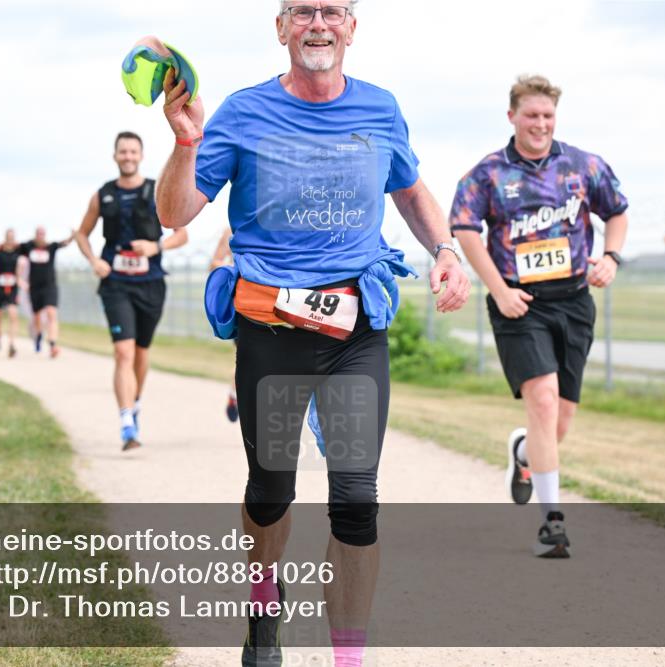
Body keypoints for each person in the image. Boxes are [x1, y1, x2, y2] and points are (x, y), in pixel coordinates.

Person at [155, 2, 471, 665]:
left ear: (352, 27)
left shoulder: (381, 109)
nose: (318, 23)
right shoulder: (242, 113)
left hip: (354, 332)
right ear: (281, 27)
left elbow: (410, 191)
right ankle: (264, 608)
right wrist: (186, 143)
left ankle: (347, 658)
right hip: (270, 330)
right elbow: (176, 210)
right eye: (303, 11)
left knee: (357, 500)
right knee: (271, 492)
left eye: (332, 11)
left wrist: (444, 247)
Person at [451, 74, 629, 558]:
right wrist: (498, 289)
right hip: (519, 305)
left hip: (573, 301)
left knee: (560, 420)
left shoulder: (582, 165)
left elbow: (617, 211)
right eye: (531, 115)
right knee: (544, 402)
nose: (540, 124)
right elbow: (464, 228)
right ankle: (553, 524)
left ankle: (524, 453)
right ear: (512, 116)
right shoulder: (487, 174)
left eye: (548, 116)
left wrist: (610, 257)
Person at [75, 130, 188, 451]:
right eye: (122, 152)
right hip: (116, 284)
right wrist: (94, 260)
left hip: (151, 283)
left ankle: (134, 403)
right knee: (122, 351)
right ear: (115, 156)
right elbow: (82, 234)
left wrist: (155, 246)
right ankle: (126, 423)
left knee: (140, 352)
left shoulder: (156, 191)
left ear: (140, 155)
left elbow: (182, 235)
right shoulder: (103, 195)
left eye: (133, 152)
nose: (127, 157)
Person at [18, 227, 75, 358]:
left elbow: (64, 243)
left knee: (51, 313)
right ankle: (38, 335)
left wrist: (73, 237)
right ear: (35, 235)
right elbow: (13, 248)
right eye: (38, 233)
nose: (40, 236)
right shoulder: (28, 247)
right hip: (34, 287)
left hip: (49, 286)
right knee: (37, 316)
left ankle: (53, 344)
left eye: (43, 233)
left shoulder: (51, 247)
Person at [208, 227, 239, 422]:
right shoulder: (231, 229)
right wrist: (236, 268)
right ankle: (237, 397)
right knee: (247, 356)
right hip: (243, 303)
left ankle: (235, 395)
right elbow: (214, 263)